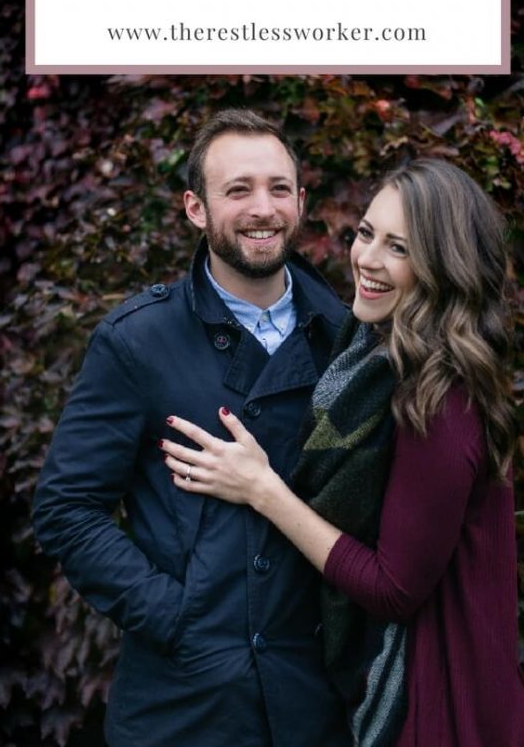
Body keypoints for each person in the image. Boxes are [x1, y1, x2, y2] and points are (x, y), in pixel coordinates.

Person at [161, 158, 524, 747]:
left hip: (442, 710)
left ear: (445, 267)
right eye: (366, 234)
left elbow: (393, 587)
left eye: (400, 248)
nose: (366, 259)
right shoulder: (377, 362)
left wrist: (263, 490)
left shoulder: (439, 401)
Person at [32, 109, 352, 747]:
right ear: (196, 209)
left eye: (279, 188)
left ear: (301, 202)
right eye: (238, 190)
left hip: (315, 699)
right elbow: (67, 508)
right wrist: (175, 618)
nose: (263, 208)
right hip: (185, 703)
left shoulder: (346, 335)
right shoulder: (138, 341)